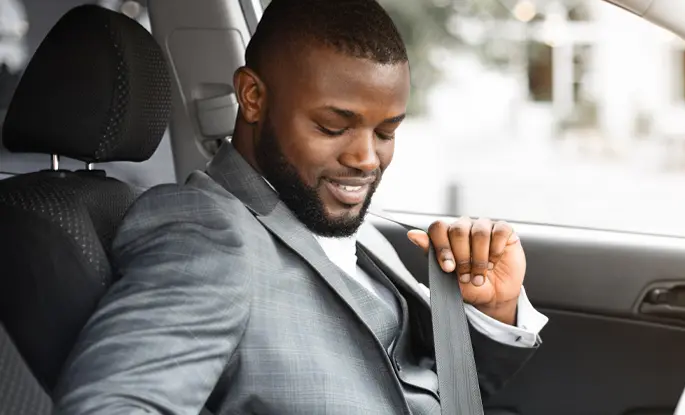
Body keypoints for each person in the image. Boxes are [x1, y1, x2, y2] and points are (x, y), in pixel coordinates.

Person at [52, 0, 547, 413]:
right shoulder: (205, 233)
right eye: (333, 127)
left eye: (385, 132)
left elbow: (419, 388)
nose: (366, 159)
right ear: (252, 97)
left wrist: (492, 308)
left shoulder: (352, 228)